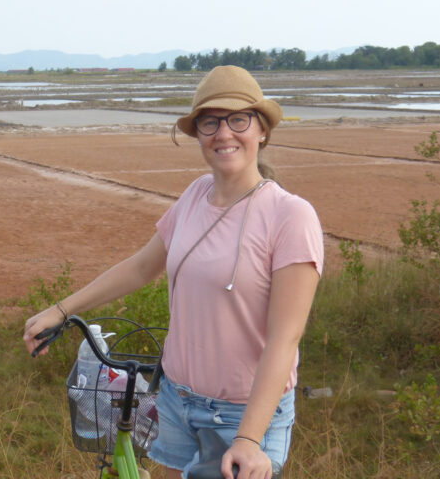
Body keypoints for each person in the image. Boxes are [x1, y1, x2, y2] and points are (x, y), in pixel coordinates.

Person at [23, 65, 324, 479]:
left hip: (243, 413)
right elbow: (143, 265)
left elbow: (285, 339)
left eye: (238, 120)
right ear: (197, 133)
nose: (224, 133)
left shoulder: (290, 216)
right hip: (177, 398)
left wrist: (250, 439)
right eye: (209, 122)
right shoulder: (196, 194)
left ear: (262, 130)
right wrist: (60, 309)